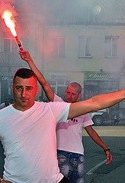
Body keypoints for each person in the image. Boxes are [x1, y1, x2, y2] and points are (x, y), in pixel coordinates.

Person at [0, 55, 125, 183]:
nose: (23, 93)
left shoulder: (50, 110)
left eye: (29, 88)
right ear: (12, 88)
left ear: (36, 90)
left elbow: (94, 103)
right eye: (19, 88)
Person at [20, 50, 113, 182]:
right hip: (60, 153)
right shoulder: (58, 103)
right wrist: (29, 60)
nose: (69, 96)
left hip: (78, 155)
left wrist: (105, 148)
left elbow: (91, 131)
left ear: (79, 95)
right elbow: (44, 83)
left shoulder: (82, 111)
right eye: (68, 92)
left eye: (73, 94)